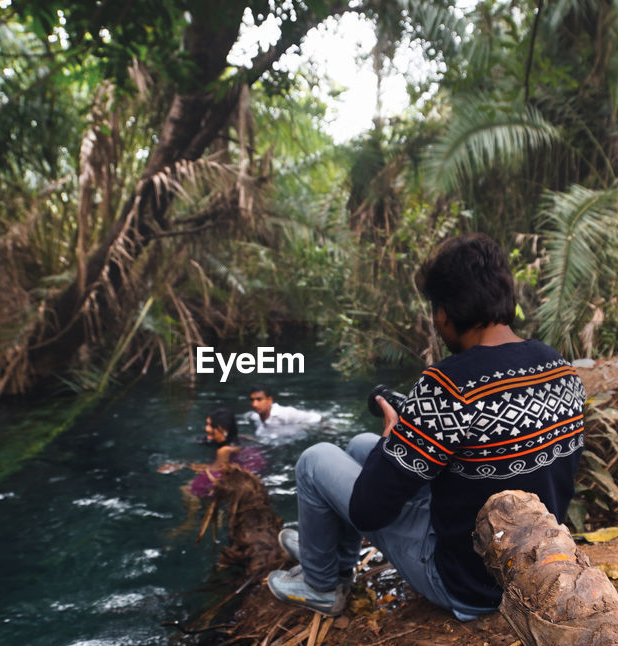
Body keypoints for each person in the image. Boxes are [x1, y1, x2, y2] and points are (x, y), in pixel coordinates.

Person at [266, 234, 586, 619]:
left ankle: (319, 585)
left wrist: (392, 438)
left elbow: (368, 512)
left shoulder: (447, 385)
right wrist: (399, 439)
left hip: (467, 584)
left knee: (315, 459)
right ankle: (334, 562)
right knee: (358, 446)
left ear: (445, 313)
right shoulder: (559, 367)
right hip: (531, 570)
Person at [189, 407, 265, 497]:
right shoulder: (242, 438)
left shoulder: (224, 450)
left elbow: (212, 472)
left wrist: (188, 467)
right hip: (254, 463)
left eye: (210, 425)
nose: (206, 428)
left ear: (222, 429)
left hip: (242, 473)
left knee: (189, 488)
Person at [246, 384, 322, 438]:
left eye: (259, 399)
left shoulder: (286, 414)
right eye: (252, 400)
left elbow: (317, 418)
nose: (254, 404)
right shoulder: (254, 417)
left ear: (270, 400)